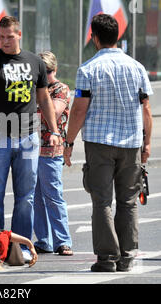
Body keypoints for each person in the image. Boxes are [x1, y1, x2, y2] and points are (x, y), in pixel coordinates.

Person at [64, 14, 153, 272]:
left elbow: (79, 109)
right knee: (128, 201)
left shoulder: (88, 69)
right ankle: (126, 256)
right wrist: (147, 144)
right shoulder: (137, 68)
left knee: (102, 201)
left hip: (99, 143)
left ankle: (107, 258)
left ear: (94, 37)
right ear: (118, 37)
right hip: (132, 143)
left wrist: (69, 142)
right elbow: (146, 109)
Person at [0, 16, 61, 262]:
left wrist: (54, 131)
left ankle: (22, 247)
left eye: (9, 36)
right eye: (1, 37)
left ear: (19, 34)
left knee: (25, 197)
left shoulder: (35, 61)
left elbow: (44, 99)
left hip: (28, 136)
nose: (5, 41)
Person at [33, 51, 73, 256]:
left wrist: (30, 108)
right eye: (40, 71)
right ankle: (44, 240)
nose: (44, 76)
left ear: (54, 70)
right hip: (31, 149)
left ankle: (63, 241)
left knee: (53, 196)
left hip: (50, 151)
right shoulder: (33, 89)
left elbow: (53, 113)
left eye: (47, 71)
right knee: (36, 198)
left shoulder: (60, 88)